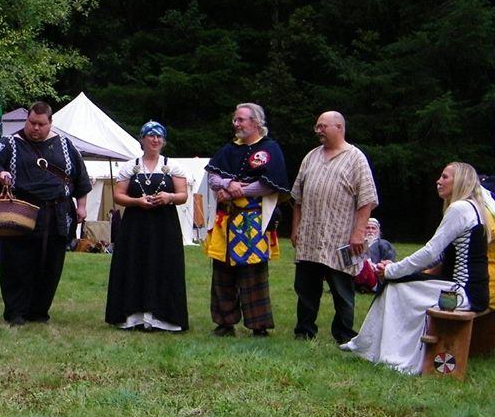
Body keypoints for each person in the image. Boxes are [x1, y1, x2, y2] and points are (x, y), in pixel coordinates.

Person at [340, 162, 491, 374]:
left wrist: (392, 271)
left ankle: (392, 356)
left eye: (445, 177)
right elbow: (439, 255)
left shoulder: (460, 209)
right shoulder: (473, 207)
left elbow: (430, 252)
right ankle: (367, 345)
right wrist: (396, 268)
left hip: (462, 293)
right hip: (469, 290)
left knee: (396, 288)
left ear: (460, 181)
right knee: (397, 284)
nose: (438, 181)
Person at [0, 102, 91, 326]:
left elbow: (80, 178)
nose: (35, 128)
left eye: (41, 124)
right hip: (19, 213)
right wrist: (0, 174)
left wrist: (81, 206)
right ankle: (16, 312)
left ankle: (39, 312)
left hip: (56, 214)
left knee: (50, 265)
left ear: (50, 123)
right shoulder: (9, 143)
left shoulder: (65, 145)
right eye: (32, 123)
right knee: (16, 264)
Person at [291, 111, 379, 343]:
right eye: (317, 126)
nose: (318, 130)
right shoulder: (311, 156)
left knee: (342, 288)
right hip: (310, 235)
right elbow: (298, 198)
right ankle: (304, 330)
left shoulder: (356, 158)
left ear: (339, 127)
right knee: (306, 287)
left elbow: (367, 200)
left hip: (341, 237)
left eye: (323, 126)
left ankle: (343, 332)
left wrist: (358, 233)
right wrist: (295, 228)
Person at [202, 103, 289, 337]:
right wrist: (227, 184)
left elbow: (269, 184)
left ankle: (258, 325)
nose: (236, 124)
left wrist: (239, 191)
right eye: (235, 120)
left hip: (253, 221)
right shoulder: (229, 148)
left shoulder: (270, 149)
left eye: (240, 120)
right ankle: (224, 322)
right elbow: (213, 176)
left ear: (256, 122)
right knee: (222, 272)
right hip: (225, 221)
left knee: (253, 273)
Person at [104, 121, 189, 332]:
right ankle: (134, 316)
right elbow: (118, 195)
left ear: (164, 141)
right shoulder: (130, 166)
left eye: (159, 136)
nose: (155, 140)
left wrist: (169, 197)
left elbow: (183, 195)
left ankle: (163, 318)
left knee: (164, 265)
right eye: (151, 136)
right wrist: (137, 201)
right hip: (135, 226)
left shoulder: (172, 166)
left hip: (164, 226)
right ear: (142, 139)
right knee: (135, 263)